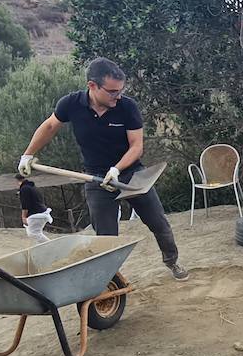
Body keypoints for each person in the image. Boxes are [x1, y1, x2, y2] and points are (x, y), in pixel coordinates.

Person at [18, 58, 187, 280]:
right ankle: (111, 281)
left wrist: (117, 169)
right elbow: (50, 126)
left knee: (158, 222)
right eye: (112, 92)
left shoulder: (127, 107)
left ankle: (172, 261)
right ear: (92, 86)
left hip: (131, 174)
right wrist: (28, 154)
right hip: (95, 178)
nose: (118, 96)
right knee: (105, 237)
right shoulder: (71, 104)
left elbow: (137, 146)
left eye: (120, 91)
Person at [17, 173, 51, 245]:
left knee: (33, 233)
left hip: (36, 214)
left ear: (18, 180)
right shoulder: (33, 187)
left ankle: (51, 245)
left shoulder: (24, 189)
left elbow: (25, 204)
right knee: (35, 233)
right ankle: (42, 247)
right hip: (42, 212)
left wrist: (23, 217)